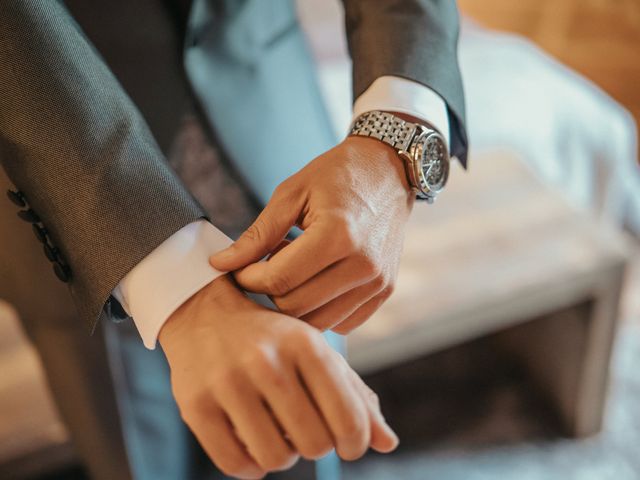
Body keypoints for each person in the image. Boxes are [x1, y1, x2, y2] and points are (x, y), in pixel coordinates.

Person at [0, 0, 467, 478]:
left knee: (306, 436)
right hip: (64, 205)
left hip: (287, 169)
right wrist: (181, 291)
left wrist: (395, 138)